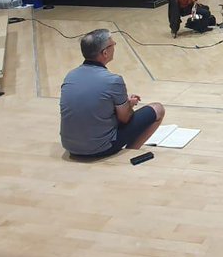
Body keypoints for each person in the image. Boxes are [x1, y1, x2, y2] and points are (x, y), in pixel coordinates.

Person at [59, 29, 165, 159]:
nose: (114, 44)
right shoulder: (113, 80)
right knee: (158, 109)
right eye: (112, 44)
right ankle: (130, 152)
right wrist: (129, 105)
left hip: (71, 147)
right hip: (100, 148)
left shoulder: (70, 76)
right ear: (105, 52)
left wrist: (124, 103)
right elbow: (124, 118)